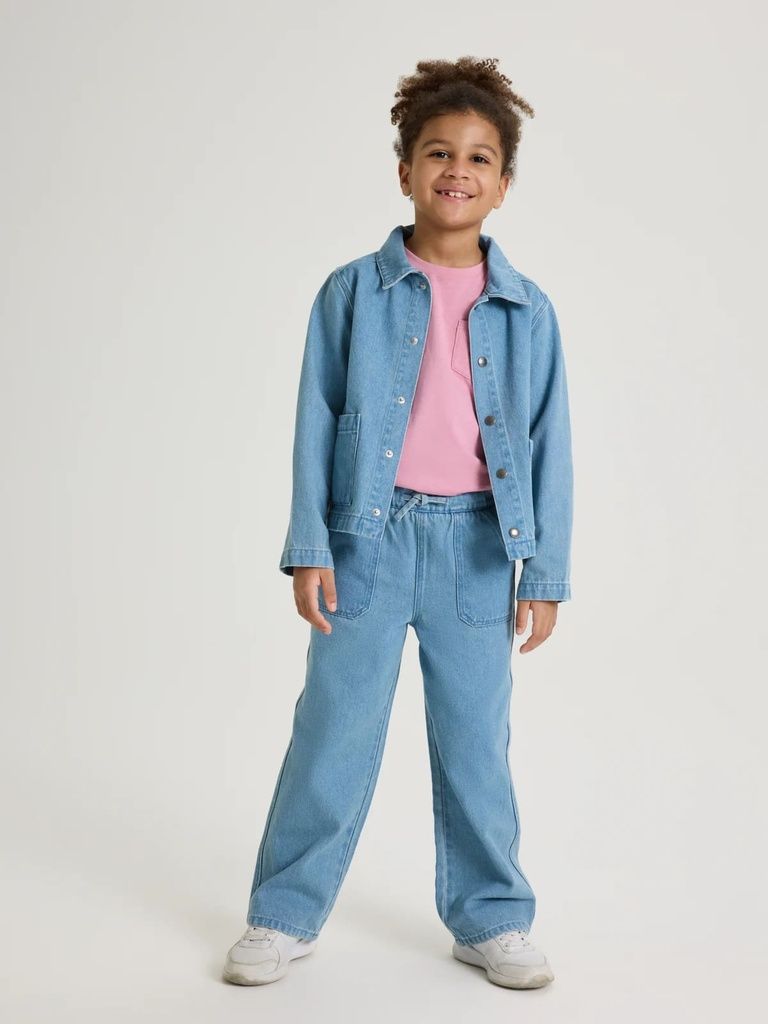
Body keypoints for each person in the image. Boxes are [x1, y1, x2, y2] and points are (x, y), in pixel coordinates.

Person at [223, 55, 573, 990]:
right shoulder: (352, 292)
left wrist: (543, 572)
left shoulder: (528, 311)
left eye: (479, 157)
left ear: (504, 184)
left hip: (479, 551)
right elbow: (314, 421)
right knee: (332, 730)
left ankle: (492, 917)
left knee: (476, 743)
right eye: (437, 152)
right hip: (364, 545)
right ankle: (282, 913)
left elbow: (550, 446)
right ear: (405, 170)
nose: (457, 169)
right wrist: (310, 546)